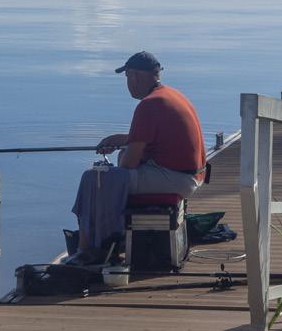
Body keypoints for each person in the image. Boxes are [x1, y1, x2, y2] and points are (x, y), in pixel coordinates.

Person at [70, 51, 207, 260]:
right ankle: (107, 236)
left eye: (127, 78)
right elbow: (158, 137)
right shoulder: (171, 95)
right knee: (115, 165)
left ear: (134, 76)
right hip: (192, 175)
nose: (128, 84)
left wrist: (115, 165)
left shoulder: (148, 105)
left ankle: (87, 249)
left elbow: (129, 165)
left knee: (94, 179)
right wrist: (125, 140)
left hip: (177, 180)